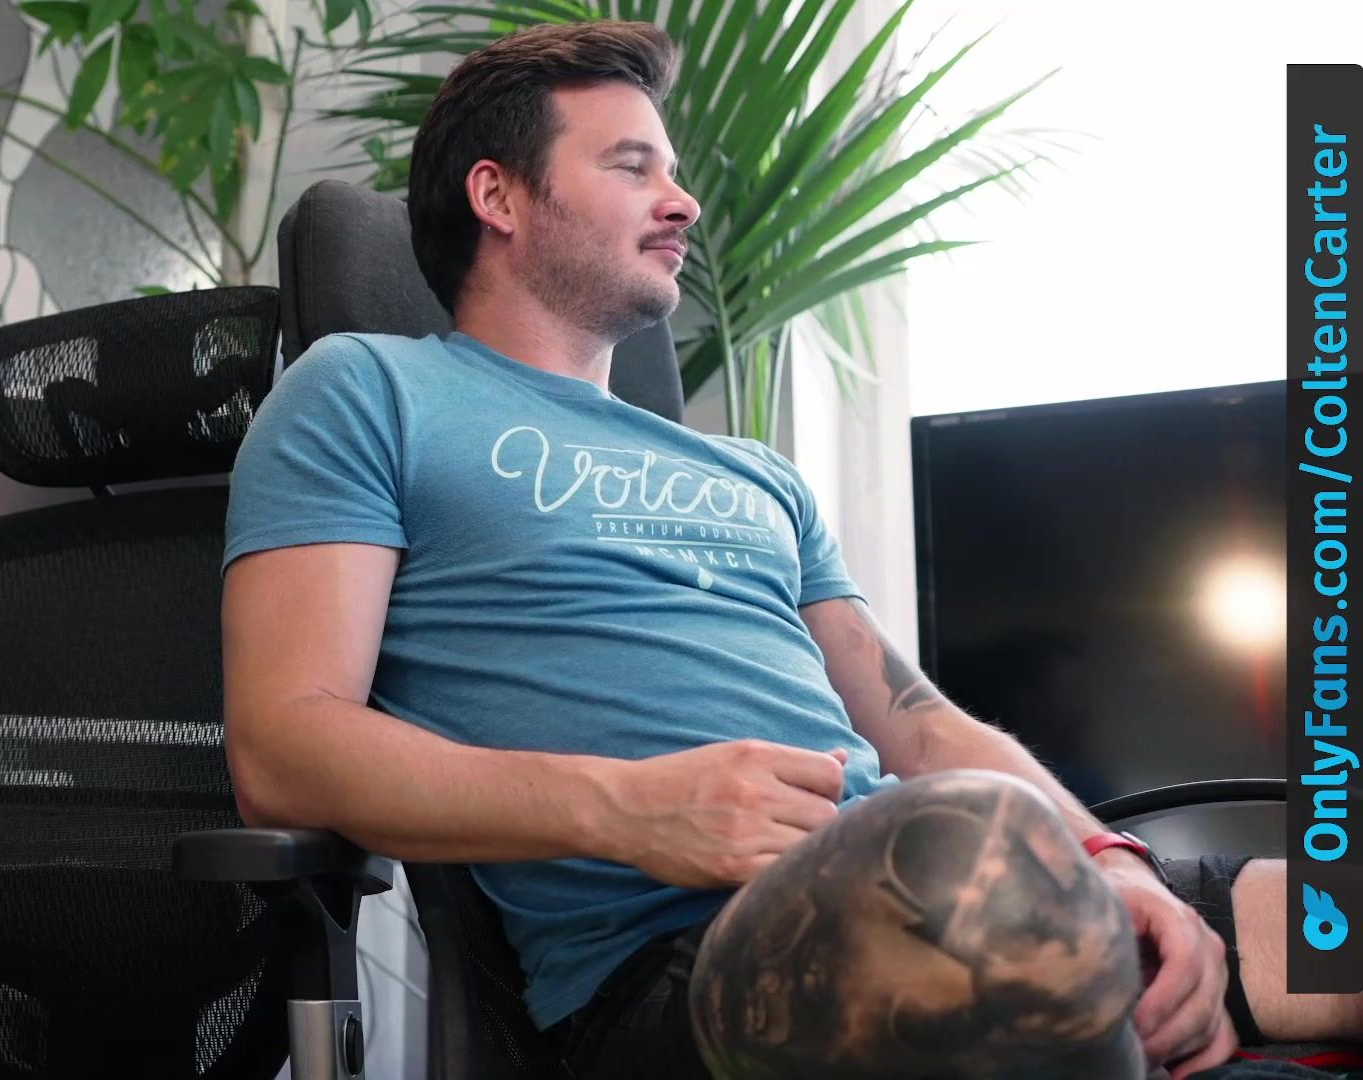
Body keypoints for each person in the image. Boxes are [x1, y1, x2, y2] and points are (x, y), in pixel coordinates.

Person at [218, 20, 1361, 1079]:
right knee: (975, 867)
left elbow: (923, 728)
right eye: (633, 167)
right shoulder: (367, 393)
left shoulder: (756, 476)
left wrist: (1113, 864)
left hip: (950, 877)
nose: (683, 202)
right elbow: (285, 743)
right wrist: (627, 807)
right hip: (698, 956)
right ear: (497, 195)